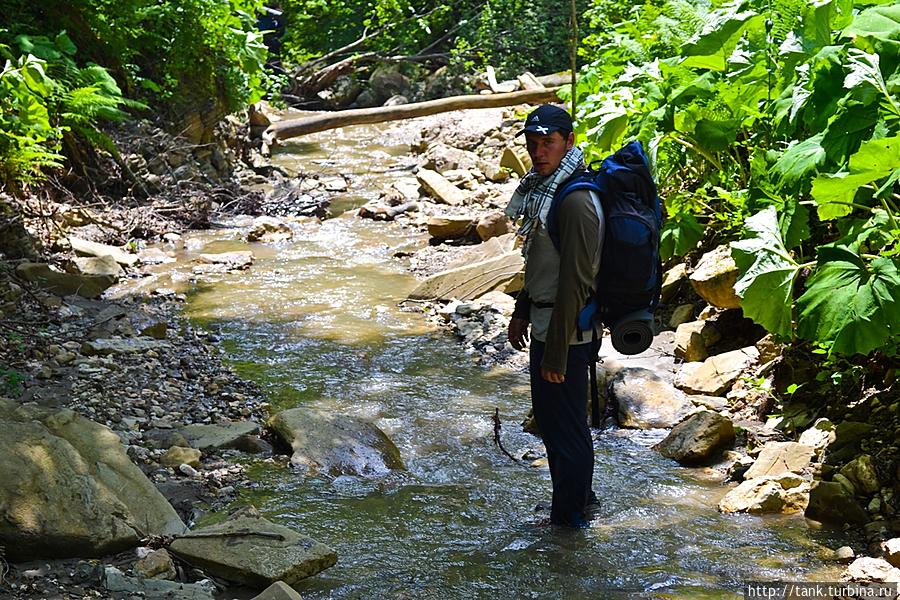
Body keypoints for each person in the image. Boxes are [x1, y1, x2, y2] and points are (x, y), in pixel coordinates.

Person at [505, 104, 604, 528]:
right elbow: (541, 262)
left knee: (565, 431)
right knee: (556, 423)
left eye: (548, 142)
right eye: (533, 142)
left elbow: (576, 283)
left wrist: (557, 355)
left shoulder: (576, 201)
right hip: (547, 324)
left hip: (567, 335)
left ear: (569, 142)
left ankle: (568, 522)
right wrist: (522, 310)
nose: (539, 151)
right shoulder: (544, 192)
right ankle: (580, 500)